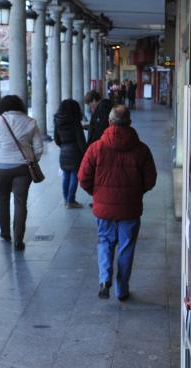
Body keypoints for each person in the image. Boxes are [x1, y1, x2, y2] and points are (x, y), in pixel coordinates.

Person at [78, 105, 156, 301]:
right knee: (126, 247)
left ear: (110, 122)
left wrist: (97, 194)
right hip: (130, 209)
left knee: (105, 241)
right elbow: (150, 179)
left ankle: (105, 279)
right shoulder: (141, 149)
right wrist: (137, 192)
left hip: (104, 209)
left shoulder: (96, 147)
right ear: (129, 123)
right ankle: (122, 290)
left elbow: (83, 177)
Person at [0, 95, 43, 251]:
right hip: (24, 168)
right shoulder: (31, 122)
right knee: (20, 202)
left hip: (1, 167)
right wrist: (31, 159)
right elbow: (38, 148)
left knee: (2, 199)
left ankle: (4, 233)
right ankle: (18, 239)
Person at [53, 99, 87, 208]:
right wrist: (86, 153)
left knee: (65, 176)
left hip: (63, 152)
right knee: (74, 176)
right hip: (75, 152)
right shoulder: (75, 122)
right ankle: (71, 200)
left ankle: (66, 199)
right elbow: (81, 141)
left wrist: (63, 146)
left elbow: (56, 139)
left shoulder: (57, 122)